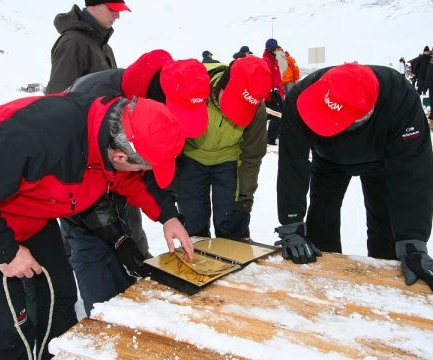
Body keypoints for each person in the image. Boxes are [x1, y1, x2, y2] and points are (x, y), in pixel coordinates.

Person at [0, 94, 194, 359]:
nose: (143, 171)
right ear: (119, 155)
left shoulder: (112, 136)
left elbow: (129, 178)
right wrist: (5, 251)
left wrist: (167, 216)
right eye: (143, 165)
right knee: (9, 325)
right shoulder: (41, 137)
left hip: (32, 208)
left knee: (59, 299)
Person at [62, 49, 210, 315]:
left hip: (117, 176)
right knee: (93, 251)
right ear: (159, 98)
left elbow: (142, 174)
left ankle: (130, 308)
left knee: (129, 250)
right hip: (78, 190)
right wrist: (116, 236)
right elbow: (81, 189)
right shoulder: (96, 99)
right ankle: (104, 319)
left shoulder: (147, 114)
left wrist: (167, 215)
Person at [274, 63, 433, 292]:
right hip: (328, 160)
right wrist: (291, 224)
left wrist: (413, 243)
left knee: (384, 226)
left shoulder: (400, 97)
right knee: (321, 223)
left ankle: (384, 286)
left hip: (382, 161)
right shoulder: (301, 96)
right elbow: (292, 163)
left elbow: (413, 171)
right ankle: (324, 283)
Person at [178, 56, 271, 241]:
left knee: (231, 222)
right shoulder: (194, 87)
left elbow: (252, 155)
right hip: (191, 157)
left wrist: (244, 199)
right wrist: (174, 182)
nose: (233, 112)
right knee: (193, 221)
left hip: (229, 161)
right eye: (232, 101)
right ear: (222, 84)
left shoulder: (256, 107)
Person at [44, 0, 130, 94]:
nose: (117, 16)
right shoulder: (72, 42)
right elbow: (58, 99)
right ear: (93, 5)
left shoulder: (105, 47)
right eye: (112, 9)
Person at [262, 38, 286, 145]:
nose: (277, 50)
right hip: (270, 95)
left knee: (278, 115)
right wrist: (269, 91)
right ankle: (269, 139)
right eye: (276, 48)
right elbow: (266, 78)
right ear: (271, 49)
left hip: (276, 93)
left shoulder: (273, 59)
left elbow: (277, 78)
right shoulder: (267, 61)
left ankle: (275, 136)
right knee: (277, 115)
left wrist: (282, 93)